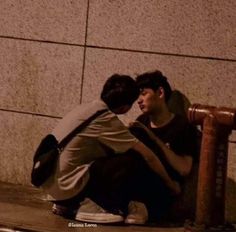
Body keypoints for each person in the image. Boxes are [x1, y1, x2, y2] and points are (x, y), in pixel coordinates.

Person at [41, 74, 180, 224]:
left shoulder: (85, 109)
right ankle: (86, 205)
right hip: (68, 188)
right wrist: (170, 184)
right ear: (125, 106)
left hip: (50, 185)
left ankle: (68, 204)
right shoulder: (106, 119)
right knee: (133, 160)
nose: (140, 100)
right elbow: (148, 156)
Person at [128, 70, 198, 222]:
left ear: (160, 92)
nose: (139, 100)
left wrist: (152, 137)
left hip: (160, 192)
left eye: (144, 94)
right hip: (135, 184)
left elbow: (184, 168)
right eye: (138, 96)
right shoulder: (142, 121)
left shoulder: (182, 127)